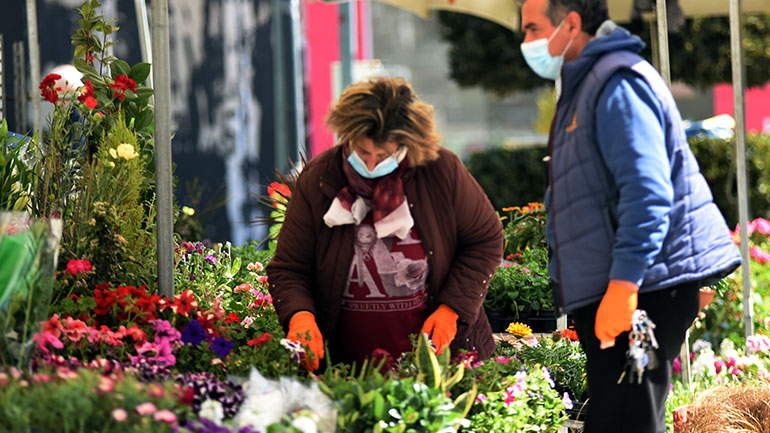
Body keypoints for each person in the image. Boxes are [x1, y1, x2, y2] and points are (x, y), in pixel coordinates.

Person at [518, 1, 741, 432]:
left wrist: (623, 286)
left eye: (532, 28)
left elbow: (648, 192)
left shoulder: (616, 82)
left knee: (625, 420)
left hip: (643, 291)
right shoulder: (589, 82)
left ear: (572, 23)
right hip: (629, 288)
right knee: (619, 417)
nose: (526, 43)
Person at [267, 77, 503, 371]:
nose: (369, 166)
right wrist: (300, 316)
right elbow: (290, 267)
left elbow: (485, 239)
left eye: (383, 156)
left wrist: (451, 309)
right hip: (347, 370)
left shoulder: (440, 170)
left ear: (406, 143)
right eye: (362, 152)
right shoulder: (319, 178)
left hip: (443, 364)